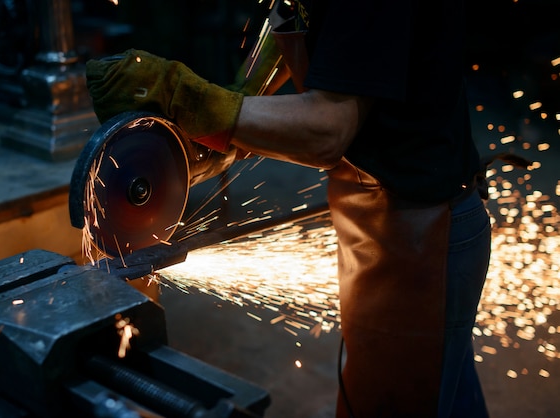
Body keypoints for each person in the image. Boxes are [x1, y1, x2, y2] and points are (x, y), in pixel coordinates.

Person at [85, 0, 491, 416]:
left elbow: (327, 130)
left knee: (398, 402)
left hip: (424, 238)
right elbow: (296, 15)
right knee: (443, 383)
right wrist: (242, 104)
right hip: (386, 221)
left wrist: (185, 97)